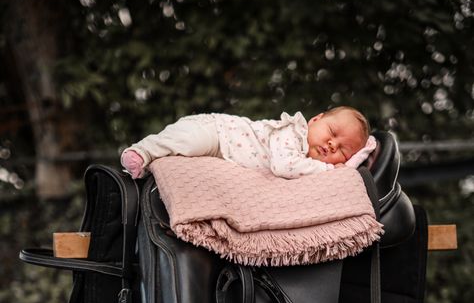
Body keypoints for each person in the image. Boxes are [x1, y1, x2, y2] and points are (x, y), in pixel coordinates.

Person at [121, 106, 375, 180]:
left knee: (177, 167)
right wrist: (331, 169)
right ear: (315, 119)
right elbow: (285, 167)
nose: (332, 145)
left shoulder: (308, 164)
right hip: (217, 132)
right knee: (187, 142)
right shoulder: (292, 133)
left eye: (343, 150)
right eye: (332, 132)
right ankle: (142, 152)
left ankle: (144, 171)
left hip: (223, 155)